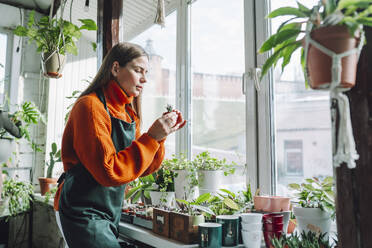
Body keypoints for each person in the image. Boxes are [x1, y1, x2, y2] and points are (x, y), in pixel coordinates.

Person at [53, 42, 186, 248]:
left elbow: (143, 169)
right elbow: (108, 171)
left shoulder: (127, 113)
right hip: (82, 212)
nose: (144, 79)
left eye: (146, 72)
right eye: (138, 70)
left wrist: (160, 137)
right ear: (115, 68)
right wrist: (151, 138)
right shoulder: (90, 107)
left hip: (107, 213)